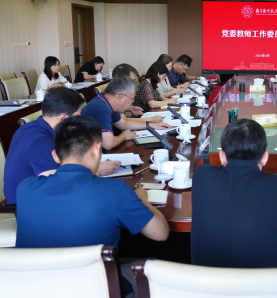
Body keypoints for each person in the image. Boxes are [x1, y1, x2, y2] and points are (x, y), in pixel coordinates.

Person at [15, 115, 169, 296]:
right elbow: (161, 233)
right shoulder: (115, 191)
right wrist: (142, 199)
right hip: (94, 289)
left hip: (34, 288)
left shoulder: (25, 187)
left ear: (55, 155)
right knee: (154, 266)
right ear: (97, 149)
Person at [191, 119, 277, 268]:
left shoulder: (202, 176)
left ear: (222, 156)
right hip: (261, 283)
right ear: (265, 157)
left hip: (205, 282)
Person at [3, 87, 117, 204]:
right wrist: (95, 170)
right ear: (63, 118)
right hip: (26, 206)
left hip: (36, 198)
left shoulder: (32, 126)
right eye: (78, 116)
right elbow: (59, 188)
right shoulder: (40, 142)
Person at [81, 76, 170, 151]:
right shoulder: (101, 108)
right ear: (121, 97)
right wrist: (124, 136)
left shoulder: (107, 101)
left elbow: (123, 124)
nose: (131, 103)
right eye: (132, 99)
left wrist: (151, 125)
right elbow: (108, 144)